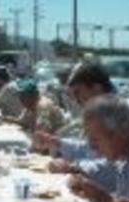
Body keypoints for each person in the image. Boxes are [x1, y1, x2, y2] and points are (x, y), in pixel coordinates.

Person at [32, 63, 119, 191]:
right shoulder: (100, 112)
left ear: (96, 88)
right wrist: (56, 142)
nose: (76, 100)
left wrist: (74, 167)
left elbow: (114, 167)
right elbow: (89, 149)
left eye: (78, 93)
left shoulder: (117, 116)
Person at [0, 78, 66, 134]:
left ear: (34, 95)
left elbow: (43, 132)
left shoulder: (43, 106)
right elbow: (23, 122)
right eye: (20, 96)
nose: (21, 99)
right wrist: (6, 119)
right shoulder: (30, 106)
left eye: (24, 96)